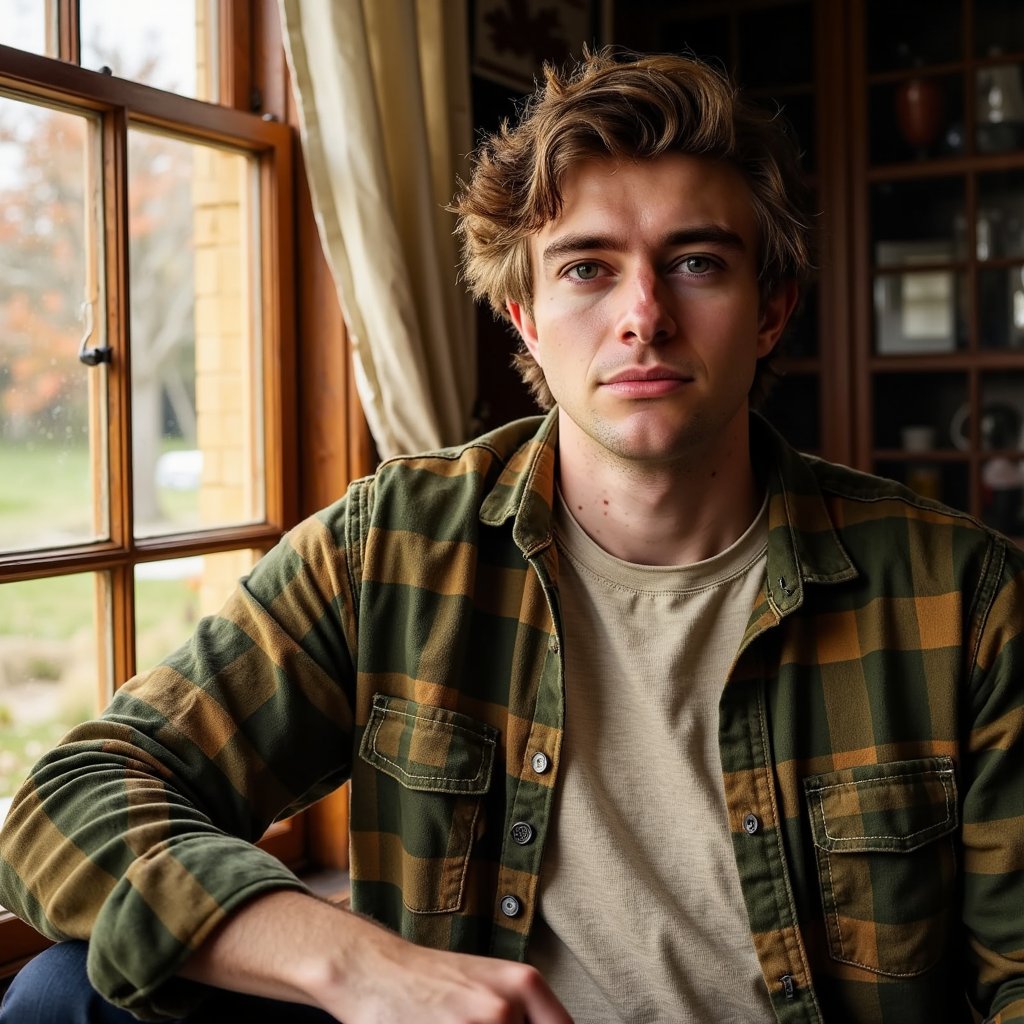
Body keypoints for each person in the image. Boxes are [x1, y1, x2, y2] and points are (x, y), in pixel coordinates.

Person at [1, 47, 1023, 1024]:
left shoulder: (961, 597)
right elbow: (65, 803)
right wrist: (361, 964)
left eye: (698, 262)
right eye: (586, 269)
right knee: (66, 995)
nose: (644, 317)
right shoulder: (393, 545)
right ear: (524, 315)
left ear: (770, 308)